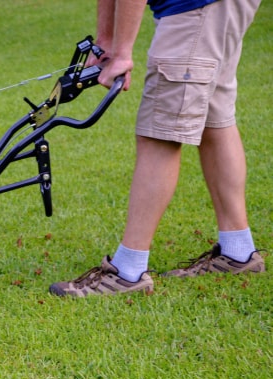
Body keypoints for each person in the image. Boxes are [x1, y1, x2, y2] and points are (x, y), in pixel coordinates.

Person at [49, 0, 265, 297]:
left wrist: (122, 53)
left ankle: (128, 271)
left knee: (159, 134)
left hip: (194, 9)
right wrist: (106, 42)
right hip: (215, 7)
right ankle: (238, 252)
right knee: (214, 119)